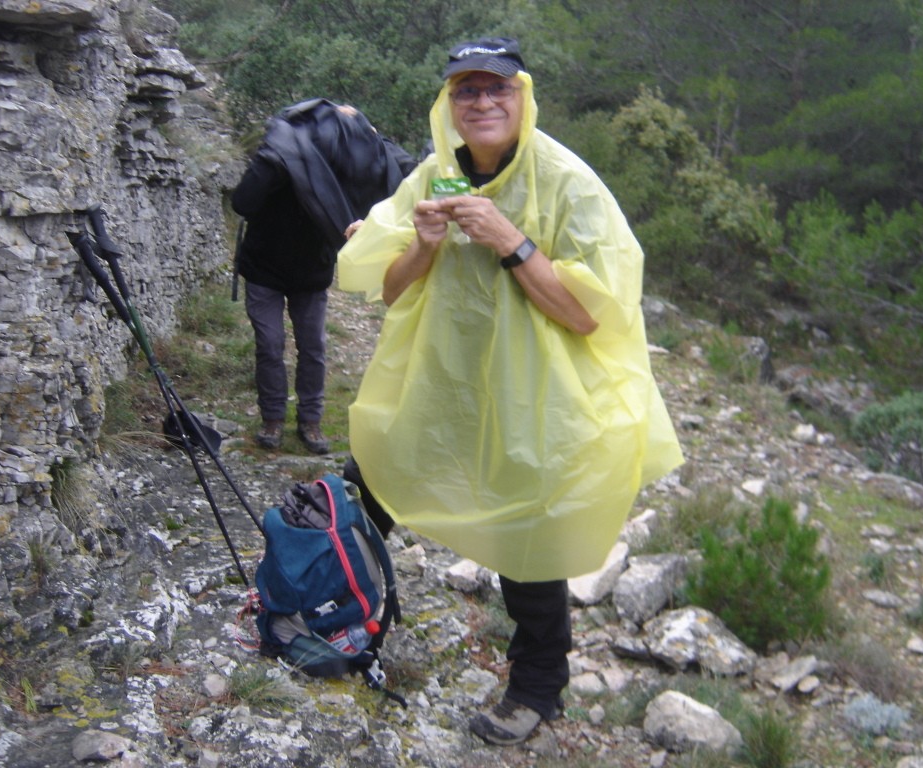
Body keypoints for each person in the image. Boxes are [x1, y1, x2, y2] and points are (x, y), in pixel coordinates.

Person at [337, 38, 683, 745]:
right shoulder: (433, 176)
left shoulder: (569, 183)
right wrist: (424, 245)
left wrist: (510, 240)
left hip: (535, 394)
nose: (483, 102)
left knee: (528, 540)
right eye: (467, 90)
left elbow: (591, 312)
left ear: (522, 96)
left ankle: (535, 689)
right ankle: (340, 623)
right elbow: (388, 287)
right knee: (366, 488)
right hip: (443, 384)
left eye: (497, 88)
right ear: (449, 106)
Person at [231, 100, 416, 452]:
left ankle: (310, 422)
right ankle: (272, 420)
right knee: (269, 345)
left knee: (312, 347)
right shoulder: (279, 155)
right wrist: (269, 162)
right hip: (263, 266)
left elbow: (402, 168)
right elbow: (244, 202)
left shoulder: (342, 164)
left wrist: (373, 134)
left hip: (311, 269)